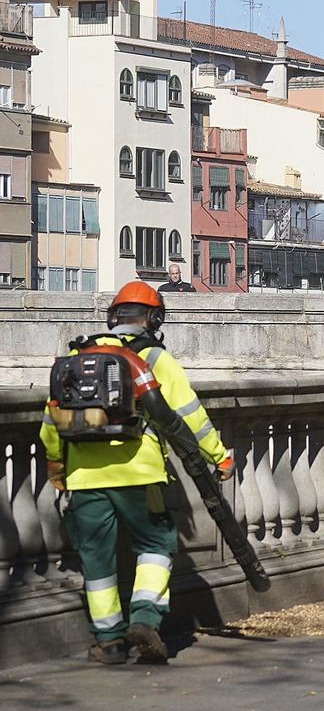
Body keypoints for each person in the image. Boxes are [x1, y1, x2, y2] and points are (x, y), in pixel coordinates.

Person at [40, 282, 232, 665]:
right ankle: (144, 619)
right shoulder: (155, 358)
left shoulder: (77, 355)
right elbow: (189, 417)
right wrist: (219, 457)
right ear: (153, 318)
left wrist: (58, 467)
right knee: (156, 545)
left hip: (85, 478)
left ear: (113, 316)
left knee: (96, 562)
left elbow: (51, 422)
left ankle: (108, 641)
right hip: (140, 473)